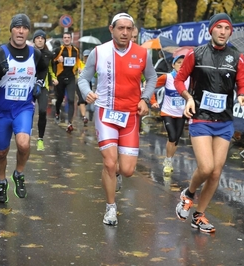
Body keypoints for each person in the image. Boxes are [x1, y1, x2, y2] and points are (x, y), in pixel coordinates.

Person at [78, 12, 157, 226]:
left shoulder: (142, 54)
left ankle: (116, 175)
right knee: (110, 163)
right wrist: (87, 92)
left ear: (133, 32)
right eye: (120, 28)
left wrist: (145, 99)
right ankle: (111, 207)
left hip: (130, 116)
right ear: (111, 29)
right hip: (105, 113)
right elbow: (83, 78)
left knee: (128, 170)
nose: (124, 32)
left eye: (128, 29)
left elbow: (152, 78)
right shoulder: (98, 52)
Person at [174, 13, 244, 233]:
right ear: (211, 30)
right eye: (219, 27)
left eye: (227, 28)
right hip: (201, 118)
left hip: (224, 121)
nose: (223, 31)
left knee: (216, 172)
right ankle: (188, 194)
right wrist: (188, 98)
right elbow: (179, 80)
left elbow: (242, 83)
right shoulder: (196, 54)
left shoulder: (237, 57)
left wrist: (243, 94)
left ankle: (199, 215)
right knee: (206, 167)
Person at [0, 13, 47, 203]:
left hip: (23, 108)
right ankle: (2, 181)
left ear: (28, 32)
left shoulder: (36, 53)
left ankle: (19, 173)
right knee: (1, 152)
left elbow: (43, 68)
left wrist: (39, 84)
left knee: (24, 144)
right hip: (2, 111)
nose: (21, 31)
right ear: (11, 30)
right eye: (17, 27)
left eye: (25, 28)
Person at [150, 55, 190, 174]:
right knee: (172, 136)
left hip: (181, 113)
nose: (181, 65)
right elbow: (151, 86)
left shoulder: (189, 78)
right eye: (178, 62)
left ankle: (170, 160)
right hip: (167, 111)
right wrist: (153, 101)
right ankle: (167, 161)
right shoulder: (167, 77)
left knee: (176, 139)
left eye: (184, 63)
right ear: (173, 65)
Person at [52, 32, 81, 132]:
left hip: (71, 78)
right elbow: (51, 63)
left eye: (68, 37)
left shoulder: (76, 50)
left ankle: (69, 123)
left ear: (71, 39)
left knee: (71, 100)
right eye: (65, 37)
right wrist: (57, 61)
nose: (67, 39)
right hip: (60, 78)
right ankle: (57, 112)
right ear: (63, 39)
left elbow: (78, 61)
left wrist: (80, 67)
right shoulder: (58, 50)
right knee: (59, 98)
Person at [33, 29, 55, 151]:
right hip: (29, 86)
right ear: (34, 40)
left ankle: (40, 139)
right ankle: (26, 134)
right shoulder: (29, 52)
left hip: (43, 86)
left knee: (42, 111)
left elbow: (51, 69)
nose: (40, 40)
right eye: (37, 38)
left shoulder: (48, 54)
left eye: (42, 38)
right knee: (28, 112)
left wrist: (55, 79)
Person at [76, 49, 92, 126]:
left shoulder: (91, 65)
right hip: (79, 82)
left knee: (87, 100)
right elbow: (74, 68)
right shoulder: (79, 63)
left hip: (88, 83)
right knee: (82, 100)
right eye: (85, 57)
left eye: (88, 57)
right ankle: (84, 116)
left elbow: (95, 74)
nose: (86, 58)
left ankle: (82, 108)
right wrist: (78, 70)